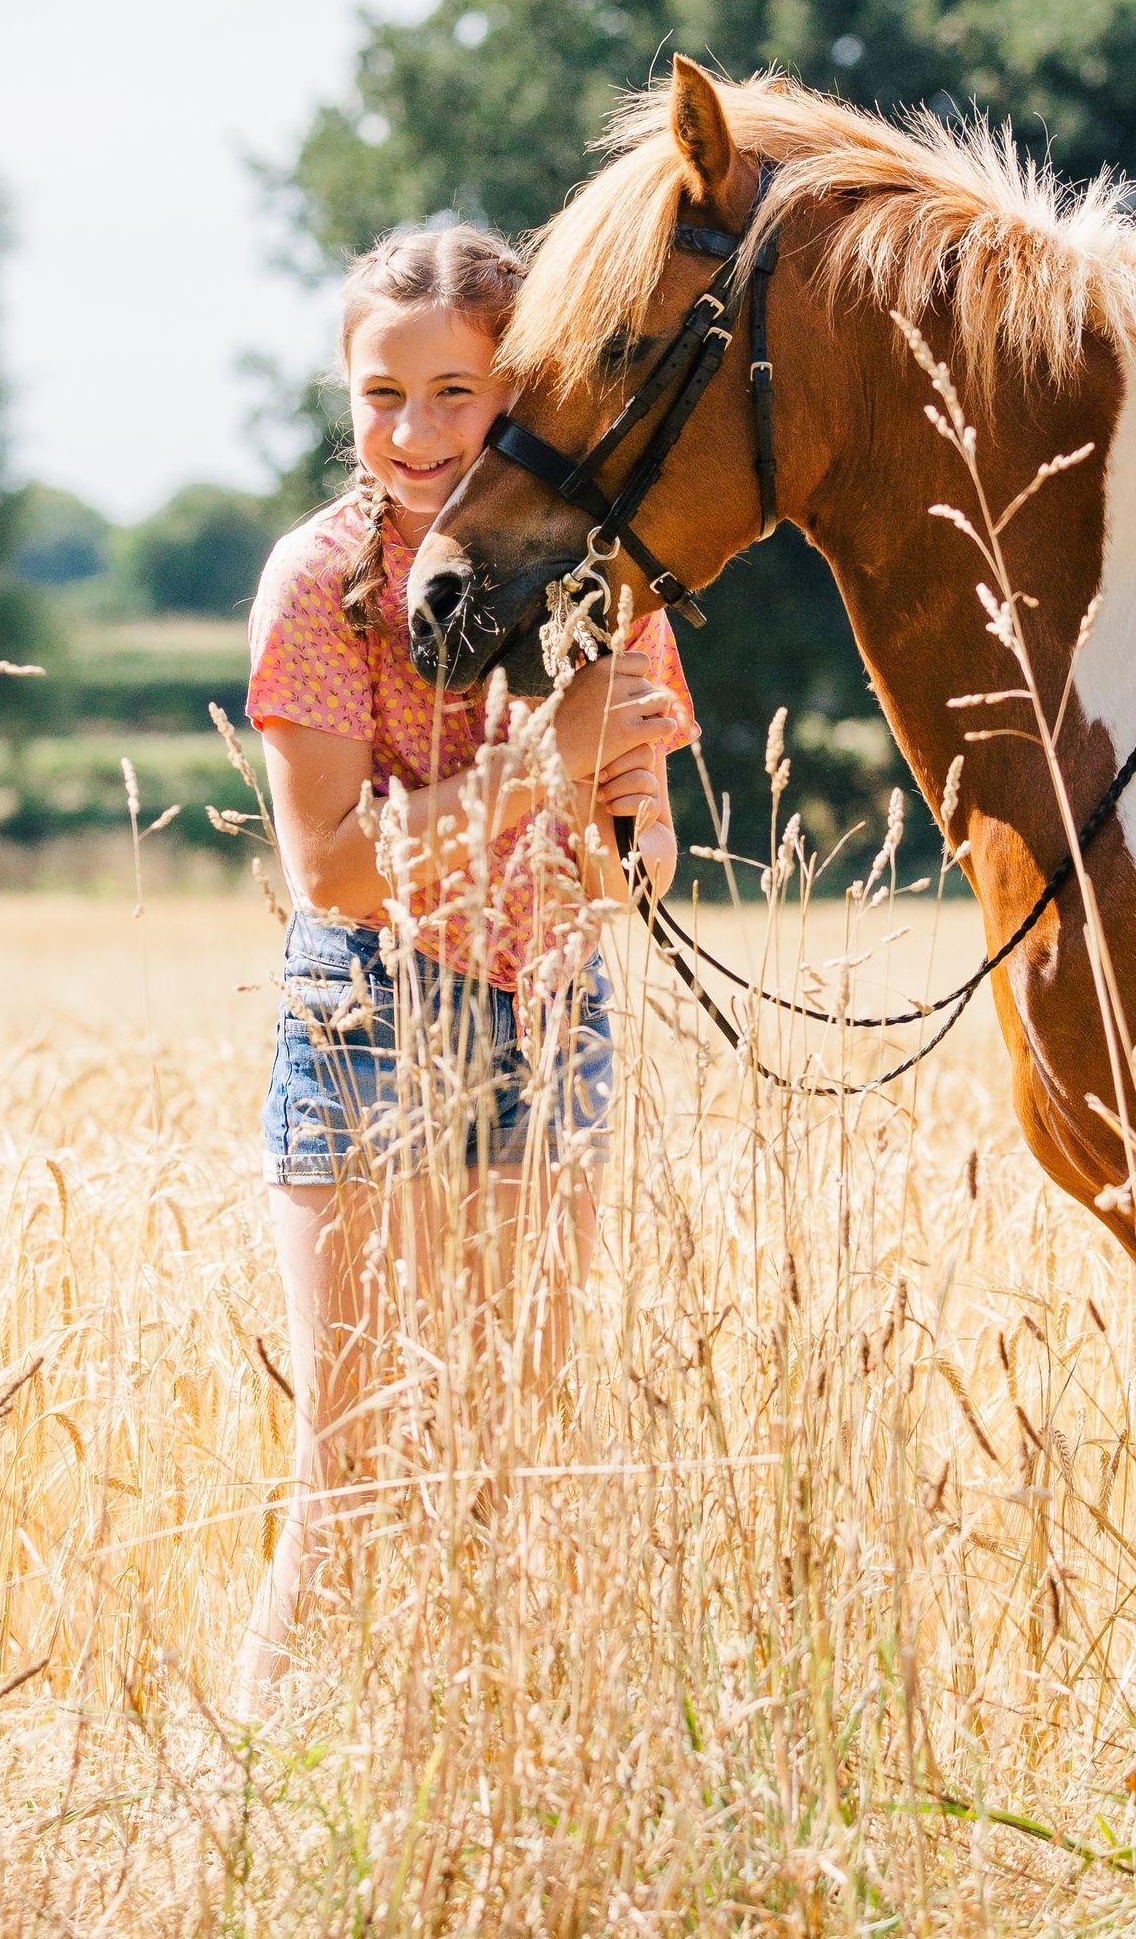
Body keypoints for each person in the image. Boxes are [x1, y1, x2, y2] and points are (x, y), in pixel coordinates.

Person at [234, 222, 693, 1713]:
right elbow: (332, 868)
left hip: (552, 1006)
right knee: (350, 1463)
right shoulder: (319, 581)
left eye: (456, 394)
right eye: (382, 395)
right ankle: (255, 1794)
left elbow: (645, 867)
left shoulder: (601, 587)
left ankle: (479, 1764)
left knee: (513, 1441)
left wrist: (617, 812)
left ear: (524, 393)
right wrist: (538, 766)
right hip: (369, 1013)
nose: (414, 434)